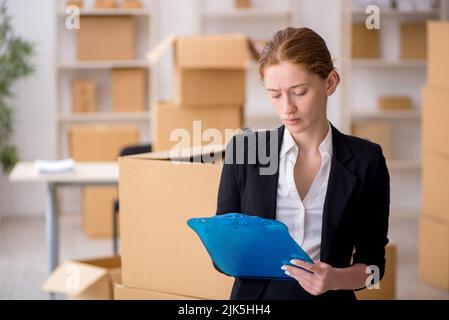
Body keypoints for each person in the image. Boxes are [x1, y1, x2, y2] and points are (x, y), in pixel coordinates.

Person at [216, 27, 390, 300]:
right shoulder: (243, 152)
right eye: (275, 94)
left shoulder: (367, 160)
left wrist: (336, 279)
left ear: (330, 82)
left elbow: (374, 268)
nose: (287, 108)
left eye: (299, 92)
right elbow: (222, 255)